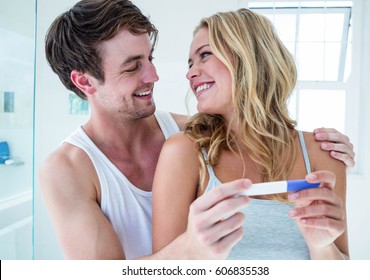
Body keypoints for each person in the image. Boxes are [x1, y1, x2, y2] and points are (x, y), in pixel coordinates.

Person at [40, 0, 353, 260]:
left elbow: (248, 125)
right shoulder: (67, 170)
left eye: (150, 58)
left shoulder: (196, 133)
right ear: (84, 81)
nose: (154, 75)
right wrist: (190, 248)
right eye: (133, 66)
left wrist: (332, 149)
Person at [152, 9, 349, 259]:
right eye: (190, 63)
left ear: (249, 55)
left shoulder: (324, 153)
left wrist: (322, 246)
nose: (190, 73)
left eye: (204, 55)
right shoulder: (184, 152)